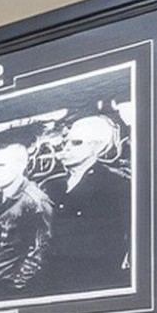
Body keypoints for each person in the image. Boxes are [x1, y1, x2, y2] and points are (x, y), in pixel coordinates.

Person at [49, 111, 133, 289]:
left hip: (95, 281)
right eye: (65, 143)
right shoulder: (51, 186)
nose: (67, 148)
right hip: (53, 280)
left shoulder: (116, 183)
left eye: (77, 143)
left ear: (97, 146)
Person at [0, 136, 56, 292]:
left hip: (11, 290)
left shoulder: (35, 201)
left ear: (20, 166)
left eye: (1, 165)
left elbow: (41, 252)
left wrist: (16, 287)